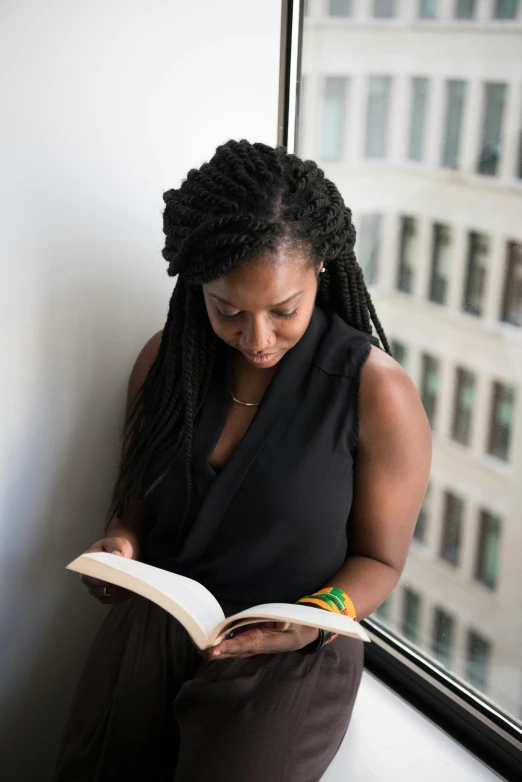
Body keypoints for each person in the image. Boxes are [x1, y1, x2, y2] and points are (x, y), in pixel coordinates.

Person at [54, 139, 432, 782]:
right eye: (228, 310)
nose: (257, 339)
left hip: (296, 646)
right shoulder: (167, 361)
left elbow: (381, 559)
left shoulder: (377, 390)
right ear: (198, 283)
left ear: (319, 265)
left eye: (283, 311)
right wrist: (122, 540)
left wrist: (318, 620)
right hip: (167, 617)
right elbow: (140, 493)